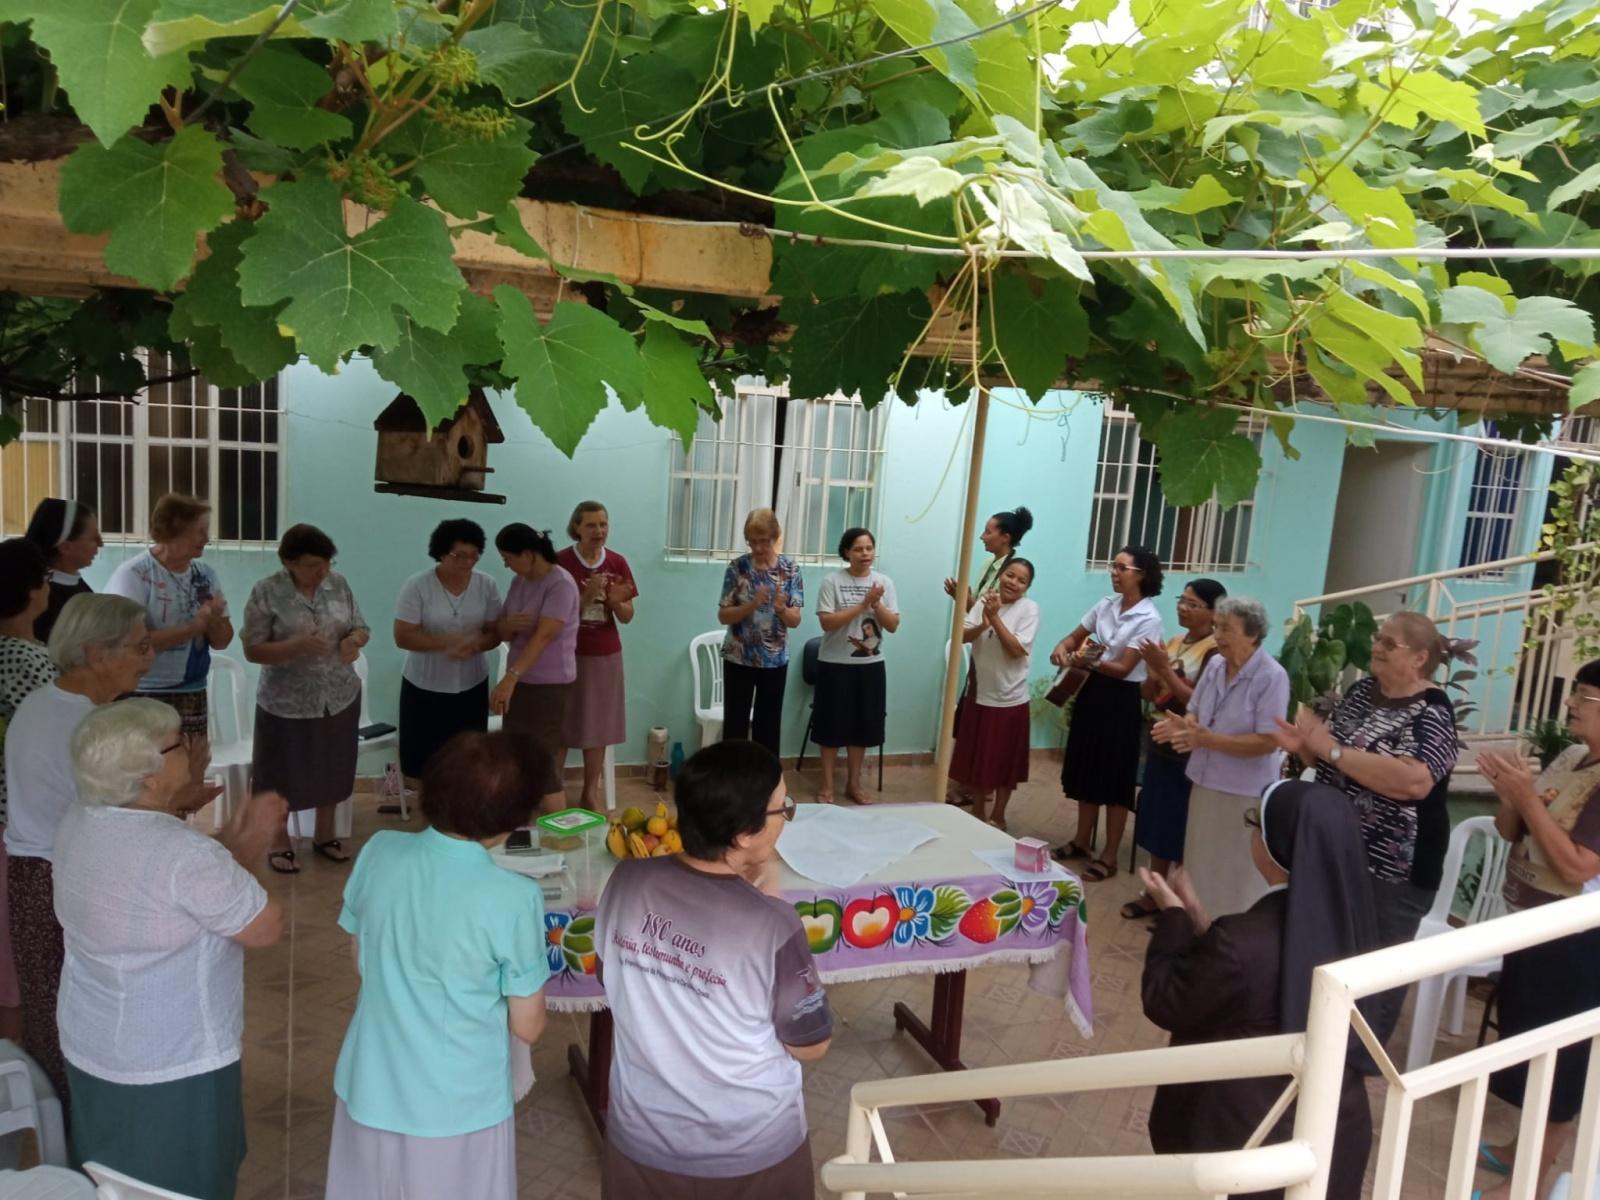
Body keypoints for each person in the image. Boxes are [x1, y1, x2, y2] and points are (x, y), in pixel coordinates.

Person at [54, 700, 284, 1198]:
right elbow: (262, 926)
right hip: (172, 1060)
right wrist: (253, 841)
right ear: (150, 777)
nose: (192, 746)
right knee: (181, 1182)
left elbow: (179, 892)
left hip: (93, 1043)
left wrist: (229, 848)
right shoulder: (183, 854)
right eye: (179, 742)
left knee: (110, 1177)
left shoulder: (78, 820)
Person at [596, 740, 831, 1199]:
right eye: (782, 809)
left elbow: (611, 971)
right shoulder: (772, 924)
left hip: (641, 1136)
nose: (784, 821)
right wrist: (767, 902)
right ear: (744, 834)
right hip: (748, 1151)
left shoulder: (627, 881)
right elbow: (811, 1045)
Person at [325, 731, 551, 1199]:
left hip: (371, 1080)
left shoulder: (380, 850)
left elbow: (361, 958)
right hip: (458, 1101)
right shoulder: (513, 896)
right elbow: (527, 1027)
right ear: (513, 819)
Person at [1140, 779, 1378, 1200]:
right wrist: (1202, 923)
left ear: (1274, 849)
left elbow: (1166, 999)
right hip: (1333, 1132)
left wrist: (1174, 920)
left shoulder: (1244, 940)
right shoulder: (1357, 929)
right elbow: (1263, 981)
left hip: (1246, 1137)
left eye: (1255, 823)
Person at [1270, 610, 1457, 1043]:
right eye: (1378, 638)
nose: (1376, 647)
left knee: (1374, 978)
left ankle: (1356, 1067)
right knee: (1329, 957)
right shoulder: (1361, 692)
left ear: (1419, 658)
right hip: (1338, 852)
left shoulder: (1432, 711)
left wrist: (1332, 753)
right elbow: (1336, 760)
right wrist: (1307, 748)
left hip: (1395, 872)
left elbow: (1414, 781)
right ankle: (1315, 1050)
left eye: (1390, 643)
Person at [4, 593, 153, 1112]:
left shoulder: (50, 703)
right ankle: (79, 1134)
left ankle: (73, 1124)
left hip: (42, 872)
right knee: (70, 1012)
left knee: (59, 1009)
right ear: (97, 654)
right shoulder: (81, 725)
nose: (148, 657)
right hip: (56, 876)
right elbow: (110, 821)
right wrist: (172, 802)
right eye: (139, 647)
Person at [1472, 663, 1600, 1200]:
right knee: (1528, 1049)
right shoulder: (1572, 756)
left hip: (1576, 942)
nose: (1571, 702)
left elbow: (1577, 867)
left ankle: (1528, 1184)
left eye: (1586, 696)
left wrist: (1526, 800)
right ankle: (1518, 1150)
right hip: (1530, 925)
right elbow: (1511, 831)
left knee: (1562, 1071)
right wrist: (1510, 796)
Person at [241, 524, 370, 874]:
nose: (322, 571)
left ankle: (324, 835)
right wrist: (294, 646)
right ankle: (278, 840)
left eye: (326, 563)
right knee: (279, 771)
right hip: (286, 701)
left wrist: (353, 641)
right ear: (288, 562)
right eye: (313, 565)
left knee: (331, 765)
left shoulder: (338, 584)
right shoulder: (267, 592)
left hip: (338, 694)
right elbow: (252, 650)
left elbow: (361, 626)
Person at [1154, 596, 1290, 919]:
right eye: (1216, 627)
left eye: (1227, 629)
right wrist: (1183, 729)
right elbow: (1194, 712)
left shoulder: (1271, 676)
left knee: (1234, 871)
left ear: (1252, 634)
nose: (1217, 635)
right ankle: (1194, 925)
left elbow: (1269, 741)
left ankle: (1229, 932)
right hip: (1204, 780)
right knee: (1200, 860)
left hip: (1243, 791)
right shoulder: (1215, 665)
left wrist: (1208, 740)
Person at [1051, 545, 1165, 880]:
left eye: (1121, 568)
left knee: (1116, 778)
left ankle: (1110, 855)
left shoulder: (1149, 618)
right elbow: (1075, 637)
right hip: (1092, 692)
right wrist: (1063, 649)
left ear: (1141, 575)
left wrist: (1086, 660)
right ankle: (1081, 840)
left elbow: (1124, 667)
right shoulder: (1105, 605)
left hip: (1121, 699)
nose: (1114, 573)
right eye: (1112, 566)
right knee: (1087, 768)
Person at [104, 493, 232, 786]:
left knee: (189, 774)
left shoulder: (205, 574)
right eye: (200, 530)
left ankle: (180, 830)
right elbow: (129, 645)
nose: (207, 537)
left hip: (191, 690)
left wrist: (213, 622)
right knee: (144, 777)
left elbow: (223, 641)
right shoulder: (134, 575)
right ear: (175, 529)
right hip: (142, 693)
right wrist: (191, 627)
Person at [1122, 578, 1225, 921]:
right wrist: (1153, 673)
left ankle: (1180, 903)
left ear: (1213, 612)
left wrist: (1164, 668)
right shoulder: (1176, 642)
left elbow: (1199, 702)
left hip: (1189, 748)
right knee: (1156, 819)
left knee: (1183, 825)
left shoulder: (1215, 652)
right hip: (1160, 741)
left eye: (1192, 604)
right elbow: (1149, 694)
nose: (1182, 607)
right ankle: (1154, 892)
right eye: (1182, 600)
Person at [394, 519, 502, 782]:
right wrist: (447, 643)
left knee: (469, 757)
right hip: (425, 685)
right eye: (459, 556)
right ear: (441, 553)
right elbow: (403, 636)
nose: (467, 562)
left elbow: (495, 632)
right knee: (424, 760)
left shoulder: (486, 585)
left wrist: (477, 644)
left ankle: (463, 816)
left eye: (474, 556)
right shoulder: (418, 585)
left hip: (471, 684)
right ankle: (430, 818)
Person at [0, 539, 57, 1041]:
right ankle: (19, 1066)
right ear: (33, 592)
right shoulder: (33, 664)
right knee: (14, 960)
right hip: (18, 823)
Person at [556, 501, 638, 811]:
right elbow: (554, 616)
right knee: (561, 724)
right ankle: (554, 790)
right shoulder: (560, 563)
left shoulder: (617, 563)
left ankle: (590, 791)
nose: (599, 531)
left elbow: (628, 616)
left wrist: (617, 603)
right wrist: (585, 597)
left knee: (598, 726)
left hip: (605, 653)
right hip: (565, 655)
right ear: (576, 527)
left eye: (603, 525)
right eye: (591, 525)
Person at [491, 523, 579, 810]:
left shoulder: (561, 584)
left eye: (509, 557)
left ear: (528, 553)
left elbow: (543, 636)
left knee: (542, 760)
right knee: (516, 756)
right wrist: (508, 625)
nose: (506, 564)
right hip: (520, 682)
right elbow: (502, 631)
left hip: (549, 685)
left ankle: (561, 836)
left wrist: (510, 678)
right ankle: (520, 825)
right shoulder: (520, 581)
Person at [949, 559, 1039, 829]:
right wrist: (984, 622)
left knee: (1004, 763)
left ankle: (999, 814)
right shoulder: (985, 602)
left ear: (1027, 587)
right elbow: (962, 636)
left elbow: (1015, 649)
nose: (1013, 582)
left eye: (1021, 580)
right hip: (981, 694)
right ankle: (978, 810)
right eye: (1010, 575)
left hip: (1010, 698)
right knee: (980, 760)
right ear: (1001, 575)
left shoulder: (1029, 610)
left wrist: (995, 618)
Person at [813, 527, 900, 805]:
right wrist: (864, 604)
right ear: (847, 552)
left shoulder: (884, 582)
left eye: (869, 548)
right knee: (830, 726)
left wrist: (876, 606)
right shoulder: (832, 581)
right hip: (834, 664)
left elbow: (893, 625)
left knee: (862, 727)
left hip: (871, 666)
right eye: (858, 549)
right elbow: (827, 622)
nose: (865, 554)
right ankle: (826, 785)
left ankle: (854, 783)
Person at [717, 508, 804, 758]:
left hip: (775, 660)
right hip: (739, 657)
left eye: (763, 541)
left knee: (768, 726)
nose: (757, 547)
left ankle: (767, 785)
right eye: (752, 541)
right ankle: (733, 782)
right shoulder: (737, 568)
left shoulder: (790, 570)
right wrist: (751, 605)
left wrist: (780, 609)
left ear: (775, 536)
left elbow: (795, 620)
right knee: (735, 723)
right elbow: (723, 615)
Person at [23, 499, 101, 643]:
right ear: (65, 547)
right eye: (94, 538)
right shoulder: (41, 597)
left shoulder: (73, 582)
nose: (101, 544)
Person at [942, 505, 1033, 609]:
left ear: (1005, 537)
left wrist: (966, 601)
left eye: (988, 532)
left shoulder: (1016, 571)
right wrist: (965, 597)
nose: (982, 536)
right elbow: (978, 612)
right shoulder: (987, 564)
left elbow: (999, 620)